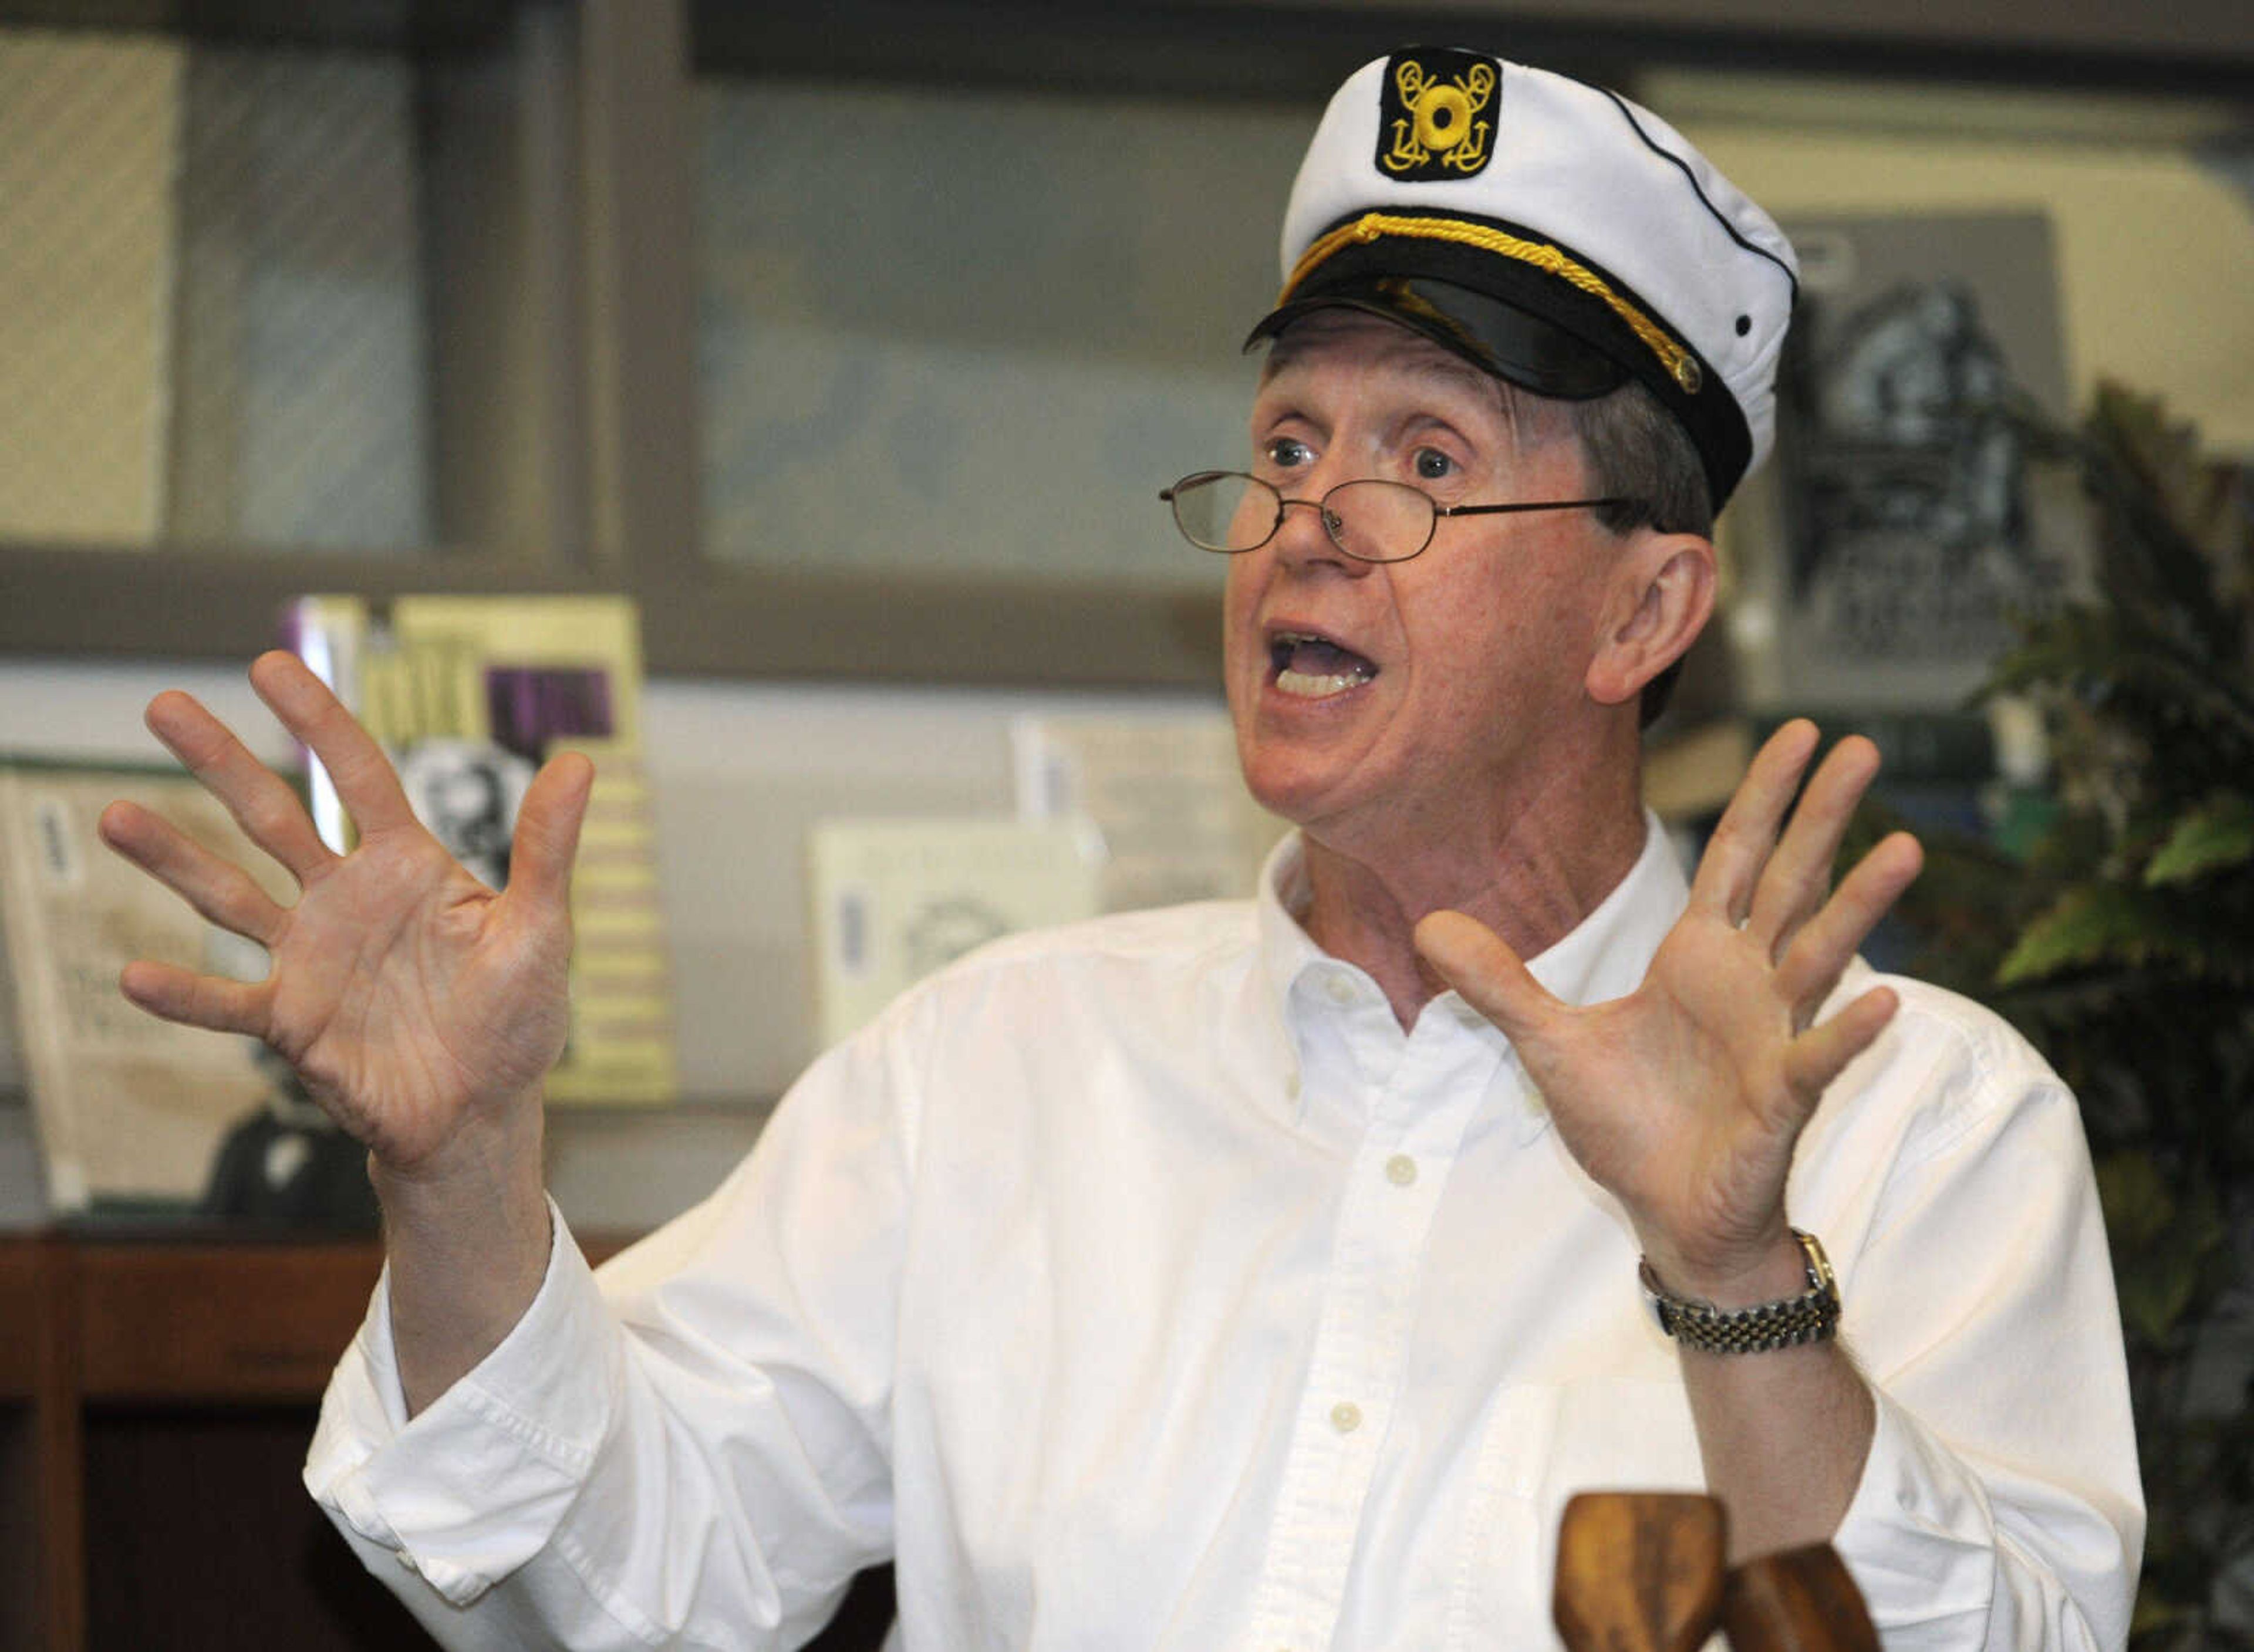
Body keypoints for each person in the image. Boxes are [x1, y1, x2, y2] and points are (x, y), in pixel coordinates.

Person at [100, 46, 2140, 1650]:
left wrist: (1734, 1281)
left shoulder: (1921, 1125)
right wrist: (460, 1180)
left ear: (1645, 614)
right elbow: (618, 1590)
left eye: (1428, 460)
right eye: (1286, 446)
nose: (1314, 516)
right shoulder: (996, 1068)